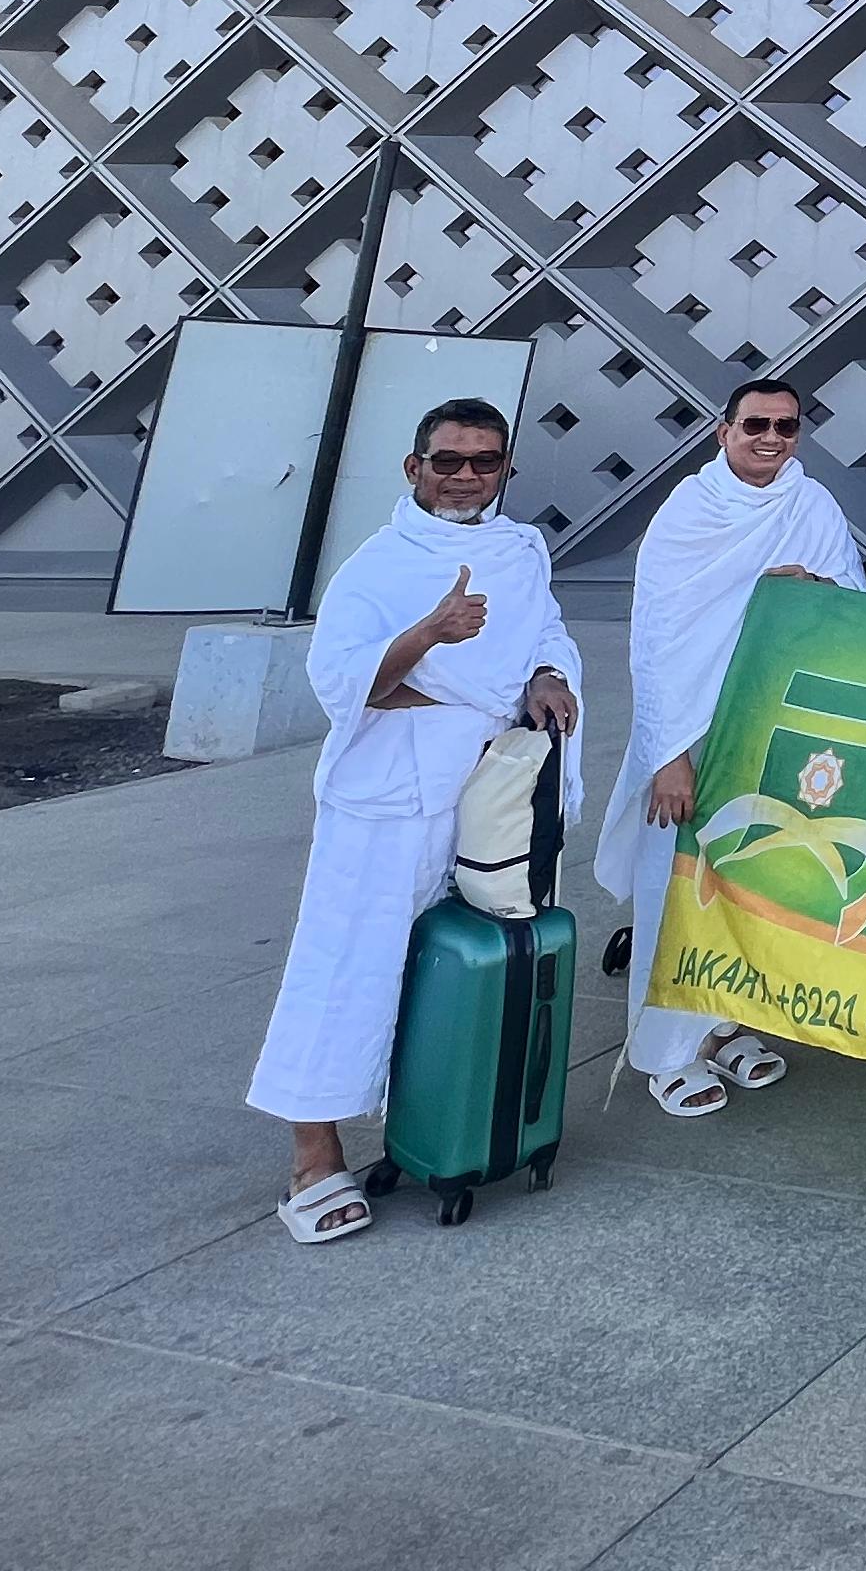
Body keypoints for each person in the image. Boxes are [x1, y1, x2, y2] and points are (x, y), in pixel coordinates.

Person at [246, 400, 580, 1244]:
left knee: (463, 966)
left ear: (506, 469)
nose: (466, 476)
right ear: (413, 468)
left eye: (484, 461)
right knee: (347, 965)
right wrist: (427, 634)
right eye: (447, 461)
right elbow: (343, 685)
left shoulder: (520, 549)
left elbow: (544, 629)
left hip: (492, 788)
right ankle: (314, 1158)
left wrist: (547, 674)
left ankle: (438, 1127)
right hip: (390, 797)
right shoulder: (377, 565)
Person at [595, 379, 866, 1117]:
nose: (771, 438)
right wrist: (668, 756)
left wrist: (812, 584)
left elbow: (852, 601)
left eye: (786, 425)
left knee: (751, 881)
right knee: (676, 887)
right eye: (755, 425)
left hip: (771, 728)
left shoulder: (813, 505)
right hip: (691, 732)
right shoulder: (689, 511)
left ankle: (726, 1025)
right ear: (724, 432)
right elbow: (656, 639)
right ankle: (665, 1053)